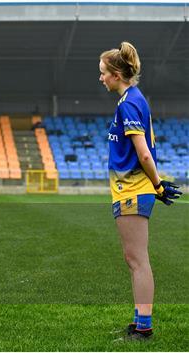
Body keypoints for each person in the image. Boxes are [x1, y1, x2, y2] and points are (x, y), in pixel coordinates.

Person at [99, 42, 182, 341]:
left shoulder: (130, 102)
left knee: (137, 260)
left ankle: (144, 327)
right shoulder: (130, 100)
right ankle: (139, 322)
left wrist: (157, 185)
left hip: (133, 189)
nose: (101, 78)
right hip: (131, 189)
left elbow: (143, 153)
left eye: (104, 73)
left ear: (118, 74)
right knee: (134, 259)